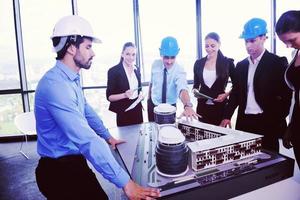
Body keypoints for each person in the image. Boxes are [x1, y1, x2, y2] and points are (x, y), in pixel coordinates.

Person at [34, 15, 159, 200]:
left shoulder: (70, 80)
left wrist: (108, 137)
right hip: (57, 169)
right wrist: (127, 183)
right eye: (88, 47)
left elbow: (87, 112)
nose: (93, 53)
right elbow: (87, 139)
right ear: (70, 48)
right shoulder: (56, 87)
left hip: (74, 161)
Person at [220, 18, 292, 153]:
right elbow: (236, 93)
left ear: (264, 38)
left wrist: (277, 119)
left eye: (252, 41)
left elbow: (287, 96)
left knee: (270, 164)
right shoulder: (241, 66)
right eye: (246, 41)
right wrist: (227, 116)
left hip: (267, 123)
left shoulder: (277, 63)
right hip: (245, 123)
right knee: (244, 161)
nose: (248, 45)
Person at [147, 36, 199, 121]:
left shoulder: (179, 70)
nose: (169, 61)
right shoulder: (155, 64)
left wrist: (187, 105)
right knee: (153, 129)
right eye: (166, 57)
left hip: (170, 107)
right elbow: (152, 83)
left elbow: (182, 89)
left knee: (168, 131)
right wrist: (148, 99)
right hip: (153, 103)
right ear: (161, 54)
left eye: (172, 57)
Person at [193, 32, 235, 126]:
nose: (209, 49)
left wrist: (226, 94)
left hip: (220, 108)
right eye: (207, 46)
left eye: (213, 46)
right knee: (203, 136)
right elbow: (195, 85)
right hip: (202, 108)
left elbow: (237, 85)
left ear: (219, 45)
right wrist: (195, 91)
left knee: (220, 138)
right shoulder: (198, 63)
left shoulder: (228, 63)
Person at [275, 10, 300, 168]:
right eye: (285, 42)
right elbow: (295, 95)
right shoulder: (296, 53)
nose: (288, 45)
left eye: (292, 40)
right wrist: (291, 126)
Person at [106, 42, 143, 126]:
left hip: (137, 110)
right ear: (122, 54)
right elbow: (109, 97)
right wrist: (124, 95)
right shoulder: (113, 71)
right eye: (128, 54)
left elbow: (139, 88)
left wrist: (140, 96)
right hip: (123, 112)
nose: (131, 57)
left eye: (133, 55)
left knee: (139, 136)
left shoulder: (136, 69)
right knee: (125, 138)